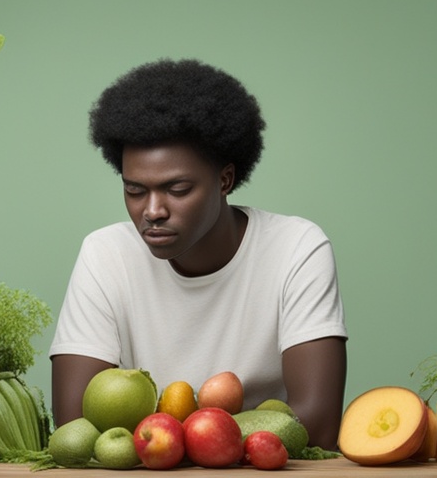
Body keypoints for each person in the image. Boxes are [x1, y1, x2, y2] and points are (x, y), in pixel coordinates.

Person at [49, 58, 347, 450]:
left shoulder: (296, 248)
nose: (152, 210)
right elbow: (76, 428)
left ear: (225, 180)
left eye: (177, 189)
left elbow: (319, 425)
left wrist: (172, 441)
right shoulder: (106, 254)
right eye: (135, 190)